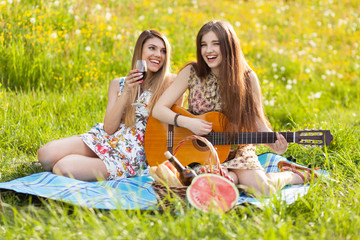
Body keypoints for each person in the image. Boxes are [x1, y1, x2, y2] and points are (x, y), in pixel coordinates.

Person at [152, 20, 317, 196]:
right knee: (212, 189)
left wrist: (275, 146)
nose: (209, 50)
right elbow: (159, 109)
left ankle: (290, 174)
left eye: (216, 44)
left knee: (263, 191)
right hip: (202, 154)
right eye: (204, 45)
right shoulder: (192, 72)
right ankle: (231, 178)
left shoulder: (247, 78)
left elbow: (256, 121)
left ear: (229, 46)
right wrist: (189, 122)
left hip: (237, 150)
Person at [38, 30, 180, 181]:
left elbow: (172, 130)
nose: (158, 54)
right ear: (140, 50)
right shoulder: (117, 83)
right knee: (45, 155)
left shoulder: (170, 84)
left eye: (163, 51)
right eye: (152, 48)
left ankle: (86, 163)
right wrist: (126, 91)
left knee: (63, 168)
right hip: (107, 138)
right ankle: (85, 161)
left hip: (131, 153)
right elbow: (109, 128)